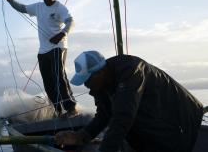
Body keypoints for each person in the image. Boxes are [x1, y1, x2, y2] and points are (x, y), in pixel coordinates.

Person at [55, 51, 204, 152]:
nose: (86, 85)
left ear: (100, 72)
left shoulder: (131, 70)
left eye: (87, 79)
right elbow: (103, 115)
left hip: (182, 123)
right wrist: (81, 136)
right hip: (152, 128)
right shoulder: (101, 84)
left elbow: (123, 117)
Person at [0, 0, 78, 117]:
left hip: (58, 47)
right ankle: (57, 110)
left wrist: (62, 34)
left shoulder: (61, 8)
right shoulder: (38, 7)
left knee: (59, 76)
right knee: (48, 81)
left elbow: (71, 22)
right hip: (43, 51)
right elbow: (22, 8)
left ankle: (71, 109)